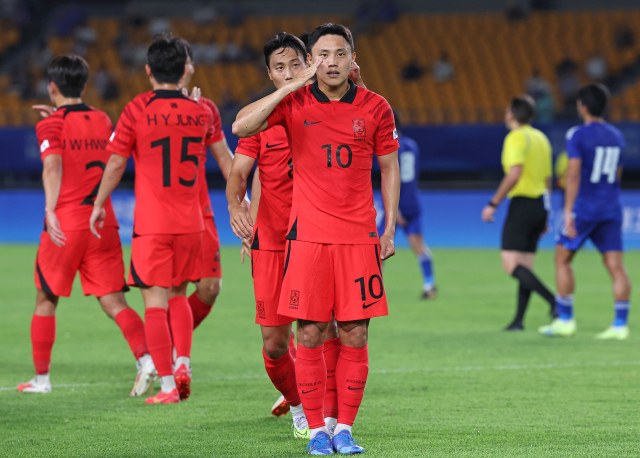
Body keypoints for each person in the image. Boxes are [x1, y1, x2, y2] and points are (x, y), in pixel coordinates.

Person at [231, 23, 400, 455]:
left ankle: (343, 428)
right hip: (307, 240)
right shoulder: (296, 103)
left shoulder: (377, 107)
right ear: (313, 62)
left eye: (340, 54)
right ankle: (315, 431)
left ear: (352, 57)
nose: (331, 62)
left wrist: (390, 227)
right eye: (322, 55)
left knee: (355, 335)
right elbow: (242, 126)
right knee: (307, 333)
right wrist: (292, 87)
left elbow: (390, 169)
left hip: (359, 239)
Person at [18, 55, 154, 396]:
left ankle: (42, 379)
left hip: (66, 223)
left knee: (45, 300)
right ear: (83, 85)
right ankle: (147, 360)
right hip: (103, 221)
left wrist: (49, 211)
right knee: (114, 303)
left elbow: (53, 167)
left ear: (52, 87)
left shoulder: (50, 124)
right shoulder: (102, 118)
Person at [90, 35, 216, 404]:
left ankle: (166, 387)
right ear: (184, 69)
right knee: (179, 295)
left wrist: (98, 203)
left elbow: (115, 162)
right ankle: (183, 362)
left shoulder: (136, 109)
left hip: (152, 223)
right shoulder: (201, 111)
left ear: (147, 71)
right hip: (192, 222)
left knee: (154, 303)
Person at [227, 32, 311, 439]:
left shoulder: (328, 110)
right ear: (270, 73)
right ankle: (297, 403)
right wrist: (237, 209)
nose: (290, 73)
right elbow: (241, 174)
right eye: (280, 67)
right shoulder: (262, 119)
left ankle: (316, 413)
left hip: (317, 240)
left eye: (296, 64)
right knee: (276, 344)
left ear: (309, 62)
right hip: (272, 242)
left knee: (318, 332)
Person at [539, 84, 632, 339]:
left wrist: (568, 211)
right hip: (611, 206)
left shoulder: (577, 135)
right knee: (615, 265)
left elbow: (573, 174)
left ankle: (566, 321)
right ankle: (620, 325)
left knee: (562, 259)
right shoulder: (617, 136)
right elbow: (617, 176)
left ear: (583, 107)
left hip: (585, 207)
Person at [177, 38, 237, 332]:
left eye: (186, 61)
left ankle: (159, 344)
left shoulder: (204, 110)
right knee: (168, 292)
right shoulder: (146, 109)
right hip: (164, 213)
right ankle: (162, 354)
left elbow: (226, 159)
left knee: (210, 287)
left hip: (200, 213)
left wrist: (242, 198)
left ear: (191, 67)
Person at [481, 95, 556, 331]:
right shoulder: (541, 138)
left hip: (522, 203)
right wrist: (546, 212)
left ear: (511, 114)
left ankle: (555, 302)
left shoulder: (515, 137)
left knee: (511, 264)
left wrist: (493, 203)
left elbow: (514, 174)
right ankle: (518, 321)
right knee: (525, 266)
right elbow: (547, 179)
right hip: (540, 204)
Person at [376, 110, 436, 298]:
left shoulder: (391, 146)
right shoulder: (412, 145)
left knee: (379, 248)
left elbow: (392, 176)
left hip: (397, 203)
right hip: (413, 201)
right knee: (419, 246)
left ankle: (375, 288)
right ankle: (430, 284)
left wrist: (397, 209)